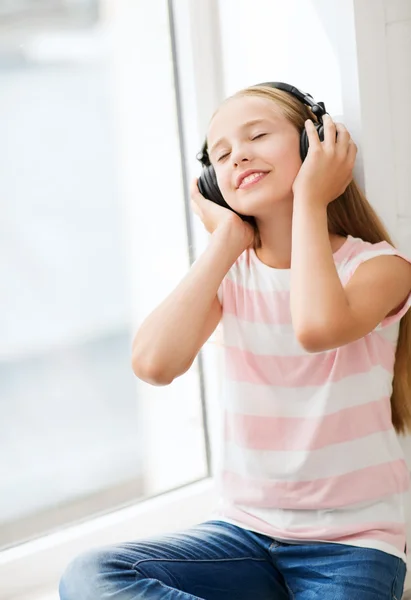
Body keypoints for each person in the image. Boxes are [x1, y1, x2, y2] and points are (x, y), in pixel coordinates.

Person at [59, 82, 411, 599]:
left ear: (315, 146)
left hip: (353, 546)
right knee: (89, 576)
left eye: (258, 135)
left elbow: (316, 328)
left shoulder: (380, 267)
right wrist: (225, 241)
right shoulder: (232, 271)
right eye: (220, 154)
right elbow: (154, 364)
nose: (237, 154)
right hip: (243, 534)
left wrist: (312, 198)